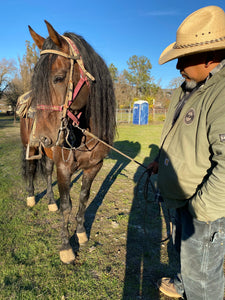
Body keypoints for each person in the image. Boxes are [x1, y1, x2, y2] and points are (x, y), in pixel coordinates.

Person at [149, 6, 225, 299]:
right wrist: (161, 162)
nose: (177, 65)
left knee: (204, 279)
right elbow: (181, 138)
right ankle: (184, 279)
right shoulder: (188, 88)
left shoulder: (220, 94)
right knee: (188, 256)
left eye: (184, 57)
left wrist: (200, 211)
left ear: (211, 59)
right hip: (184, 199)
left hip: (203, 211)